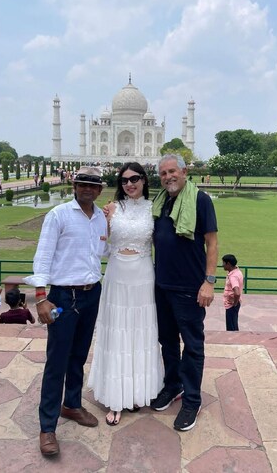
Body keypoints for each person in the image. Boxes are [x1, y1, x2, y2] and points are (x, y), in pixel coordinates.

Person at [23, 166, 108, 457]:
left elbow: (105, 253)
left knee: (79, 356)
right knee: (56, 362)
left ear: (100, 190)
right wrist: (40, 297)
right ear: (75, 186)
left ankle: (71, 404)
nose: (87, 189)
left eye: (92, 185)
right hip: (61, 296)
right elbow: (43, 255)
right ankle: (47, 427)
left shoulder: (100, 219)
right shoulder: (59, 214)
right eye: (82, 184)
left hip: (90, 293)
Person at [88, 162, 163, 426]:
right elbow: (99, 244)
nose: (129, 184)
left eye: (134, 179)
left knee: (140, 332)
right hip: (118, 275)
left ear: (144, 180)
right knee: (118, 332)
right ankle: (116, 398)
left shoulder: (154, 208)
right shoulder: (111, 209)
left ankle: (138, 392)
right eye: (124, 180)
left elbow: (162, 245)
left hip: (143, 276)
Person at [150, 154, 218, 432]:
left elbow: (212, 243)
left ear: (184, 171)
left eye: (172, 171)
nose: (168, 177)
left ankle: (192, 400)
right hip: (162, 284)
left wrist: (209, 282)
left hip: (189, 287)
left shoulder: (199, 200)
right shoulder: (161, 202)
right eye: (163, 173)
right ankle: (174, 385)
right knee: (167, 340)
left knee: (192, 345)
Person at [222, 254, 243, 331]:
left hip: (231, 305)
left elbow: (237, 293)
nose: (222, 265)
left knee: (231, 329)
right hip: (235, 303)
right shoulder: (237, 271)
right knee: (234, 324)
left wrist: (234, 303)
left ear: (228, 264)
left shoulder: (233, 276)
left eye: (224, 263)